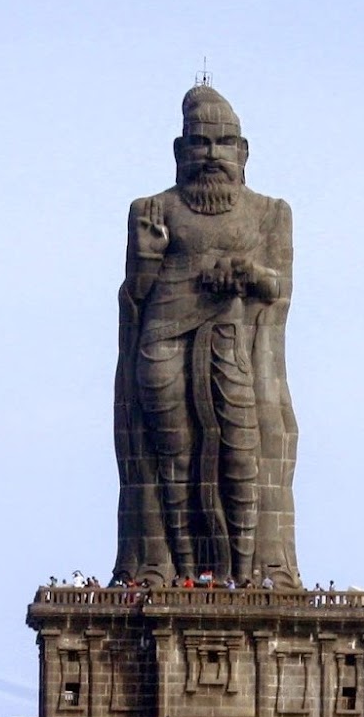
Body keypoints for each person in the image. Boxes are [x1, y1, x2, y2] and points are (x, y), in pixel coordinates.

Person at [112, 84, 302, 589]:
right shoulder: (152, 209)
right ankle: (169, 568)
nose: (212, 154)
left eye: (224, 143)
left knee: (243, 452)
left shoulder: (269, 212)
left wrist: (248, 273)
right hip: (162, 340)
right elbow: (136, 293)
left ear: (243, 152)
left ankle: (248, 573)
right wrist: (149, 255)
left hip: (233, 344)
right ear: (180, 151)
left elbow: (280, 287)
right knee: (169, 457)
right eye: (200, 143)